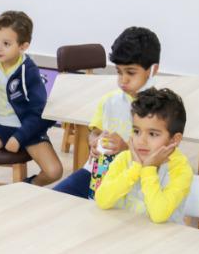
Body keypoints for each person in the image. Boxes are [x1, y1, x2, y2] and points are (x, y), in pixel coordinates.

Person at [53, 26, 160, 199]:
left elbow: (159, 154)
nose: (123, 80)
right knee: (55, 197)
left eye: (131, 73)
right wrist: (94, 141)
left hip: (134, 178)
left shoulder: (161, 109)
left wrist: (125, 147)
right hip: (98, 171)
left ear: (153, 70)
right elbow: (94, 132)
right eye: (119, 72)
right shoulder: (110, 101)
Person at [0, 10, 62, 187]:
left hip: (26, 128)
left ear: (23, 46)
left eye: (6, 43)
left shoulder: (29, 71)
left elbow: (41, 112)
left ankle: (22, 189)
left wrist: (19, 137)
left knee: (54, 171)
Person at [94, 87, 193, 223]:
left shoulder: (181, 170)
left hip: (162, 240)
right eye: (136, 131)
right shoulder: (125, 159)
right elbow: (102, 200)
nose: (141, 141)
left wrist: (148, 169)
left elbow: (159, 215)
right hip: (124, 232)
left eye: (153, 134)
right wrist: (135, 169)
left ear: (174, 139)